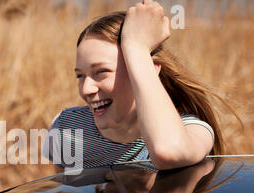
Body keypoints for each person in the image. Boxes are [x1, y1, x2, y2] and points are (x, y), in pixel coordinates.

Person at [43, 0, 237, 171]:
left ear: (147, 68)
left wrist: (136, 47)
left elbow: (169, 152)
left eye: (101, 72)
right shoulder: (66, 128)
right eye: (80, 76)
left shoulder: (191, 131)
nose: (86, 89)